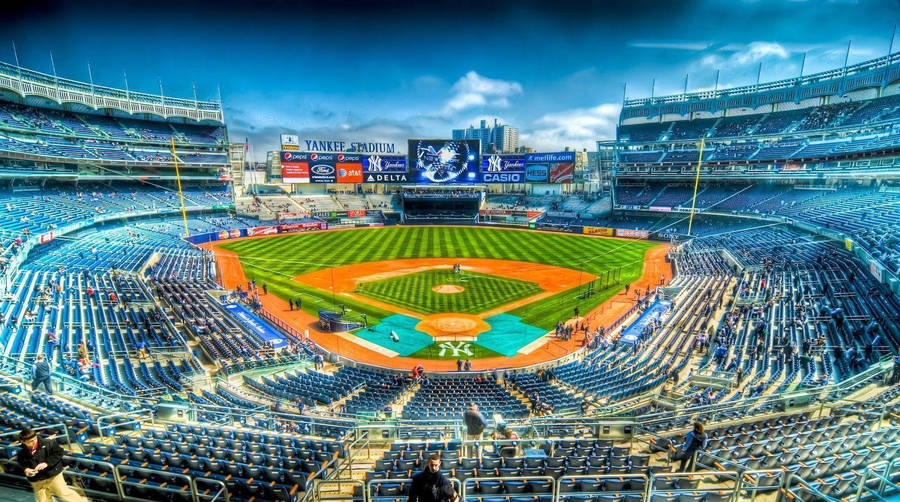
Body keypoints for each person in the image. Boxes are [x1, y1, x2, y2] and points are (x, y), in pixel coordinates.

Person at [17, 428, 87, 502]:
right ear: (23, 442)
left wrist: (46, 463)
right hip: (36, 479)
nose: (34, 442)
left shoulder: (49, 443)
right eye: (30, 441)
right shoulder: (21, 452)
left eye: (35, 439)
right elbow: (22, 462)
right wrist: (26, 469)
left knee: (64, 494)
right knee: (43, 500)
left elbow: (59, 453)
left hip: (53, 475)